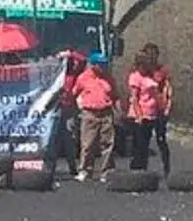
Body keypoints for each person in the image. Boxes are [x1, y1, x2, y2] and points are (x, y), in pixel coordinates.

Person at [72, 51, 119, 182]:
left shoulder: (109, 78)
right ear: (93, 65)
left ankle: (107, 171)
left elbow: (115, 95)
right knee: (88, 144)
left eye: (104, 64)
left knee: (108, 143)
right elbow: (74, 93)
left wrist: (119, 111)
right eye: (101, 64)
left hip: (106, 113)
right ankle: (85, 170)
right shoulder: (83, 78)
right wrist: (77, 108)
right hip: (89, 113)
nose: (103, 67)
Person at [47, 48, 86, 176]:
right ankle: (50, 167)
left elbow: (83, 61)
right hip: (54, 109)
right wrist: (57, 57)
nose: (66, 63)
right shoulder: (52, 75)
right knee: (54, 139)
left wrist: (71, 53)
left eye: (68, 61)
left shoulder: (73, 74)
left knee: (70, 138)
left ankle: (72, 167)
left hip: (69, 109)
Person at [127, 51, 162, 171]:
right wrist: (139, 115)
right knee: (139, 145)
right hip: (140, 115)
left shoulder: (149, 77)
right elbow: (134, 98)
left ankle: (144, 169)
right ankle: (136, 169)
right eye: (145, 64)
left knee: (146, 144)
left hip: (151, 114)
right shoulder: (135, 77)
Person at [143, 43, 173, 176]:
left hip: (159, 109)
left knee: (161, 139)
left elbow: (168, 89)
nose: (151, 58)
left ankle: (166, 167)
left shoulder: (162, 71)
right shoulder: (141, 71)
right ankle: (142, 168)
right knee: (143, 140)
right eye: (148, 55)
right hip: (145, 110)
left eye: (153, 55)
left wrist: (167, 107)